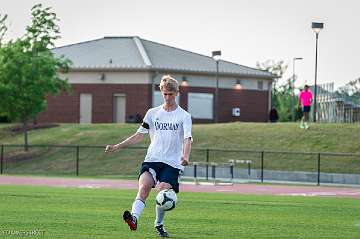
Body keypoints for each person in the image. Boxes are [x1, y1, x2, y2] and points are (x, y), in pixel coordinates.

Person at [105, 74, 192, 238]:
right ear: (161, 92)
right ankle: (134, 219)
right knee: (144, 187)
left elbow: (188, 138)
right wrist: (117, 146)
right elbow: (139, 135)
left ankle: (158, 224)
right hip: (152, 159)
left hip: (172, 163)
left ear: (177, 93)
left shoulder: (184, 116)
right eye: (165, 94)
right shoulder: (152, 113)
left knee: (162, 193)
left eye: (170, 94)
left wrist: (185, 156)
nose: (167, 97)